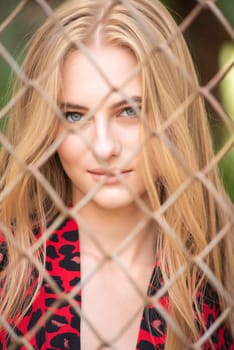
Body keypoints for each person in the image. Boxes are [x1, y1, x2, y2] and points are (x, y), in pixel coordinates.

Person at [0, 0, 233, 349]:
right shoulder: (10, 266)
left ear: (172, 113)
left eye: (129, 110)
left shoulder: (221, 266)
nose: (104, 147)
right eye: (74, 116)